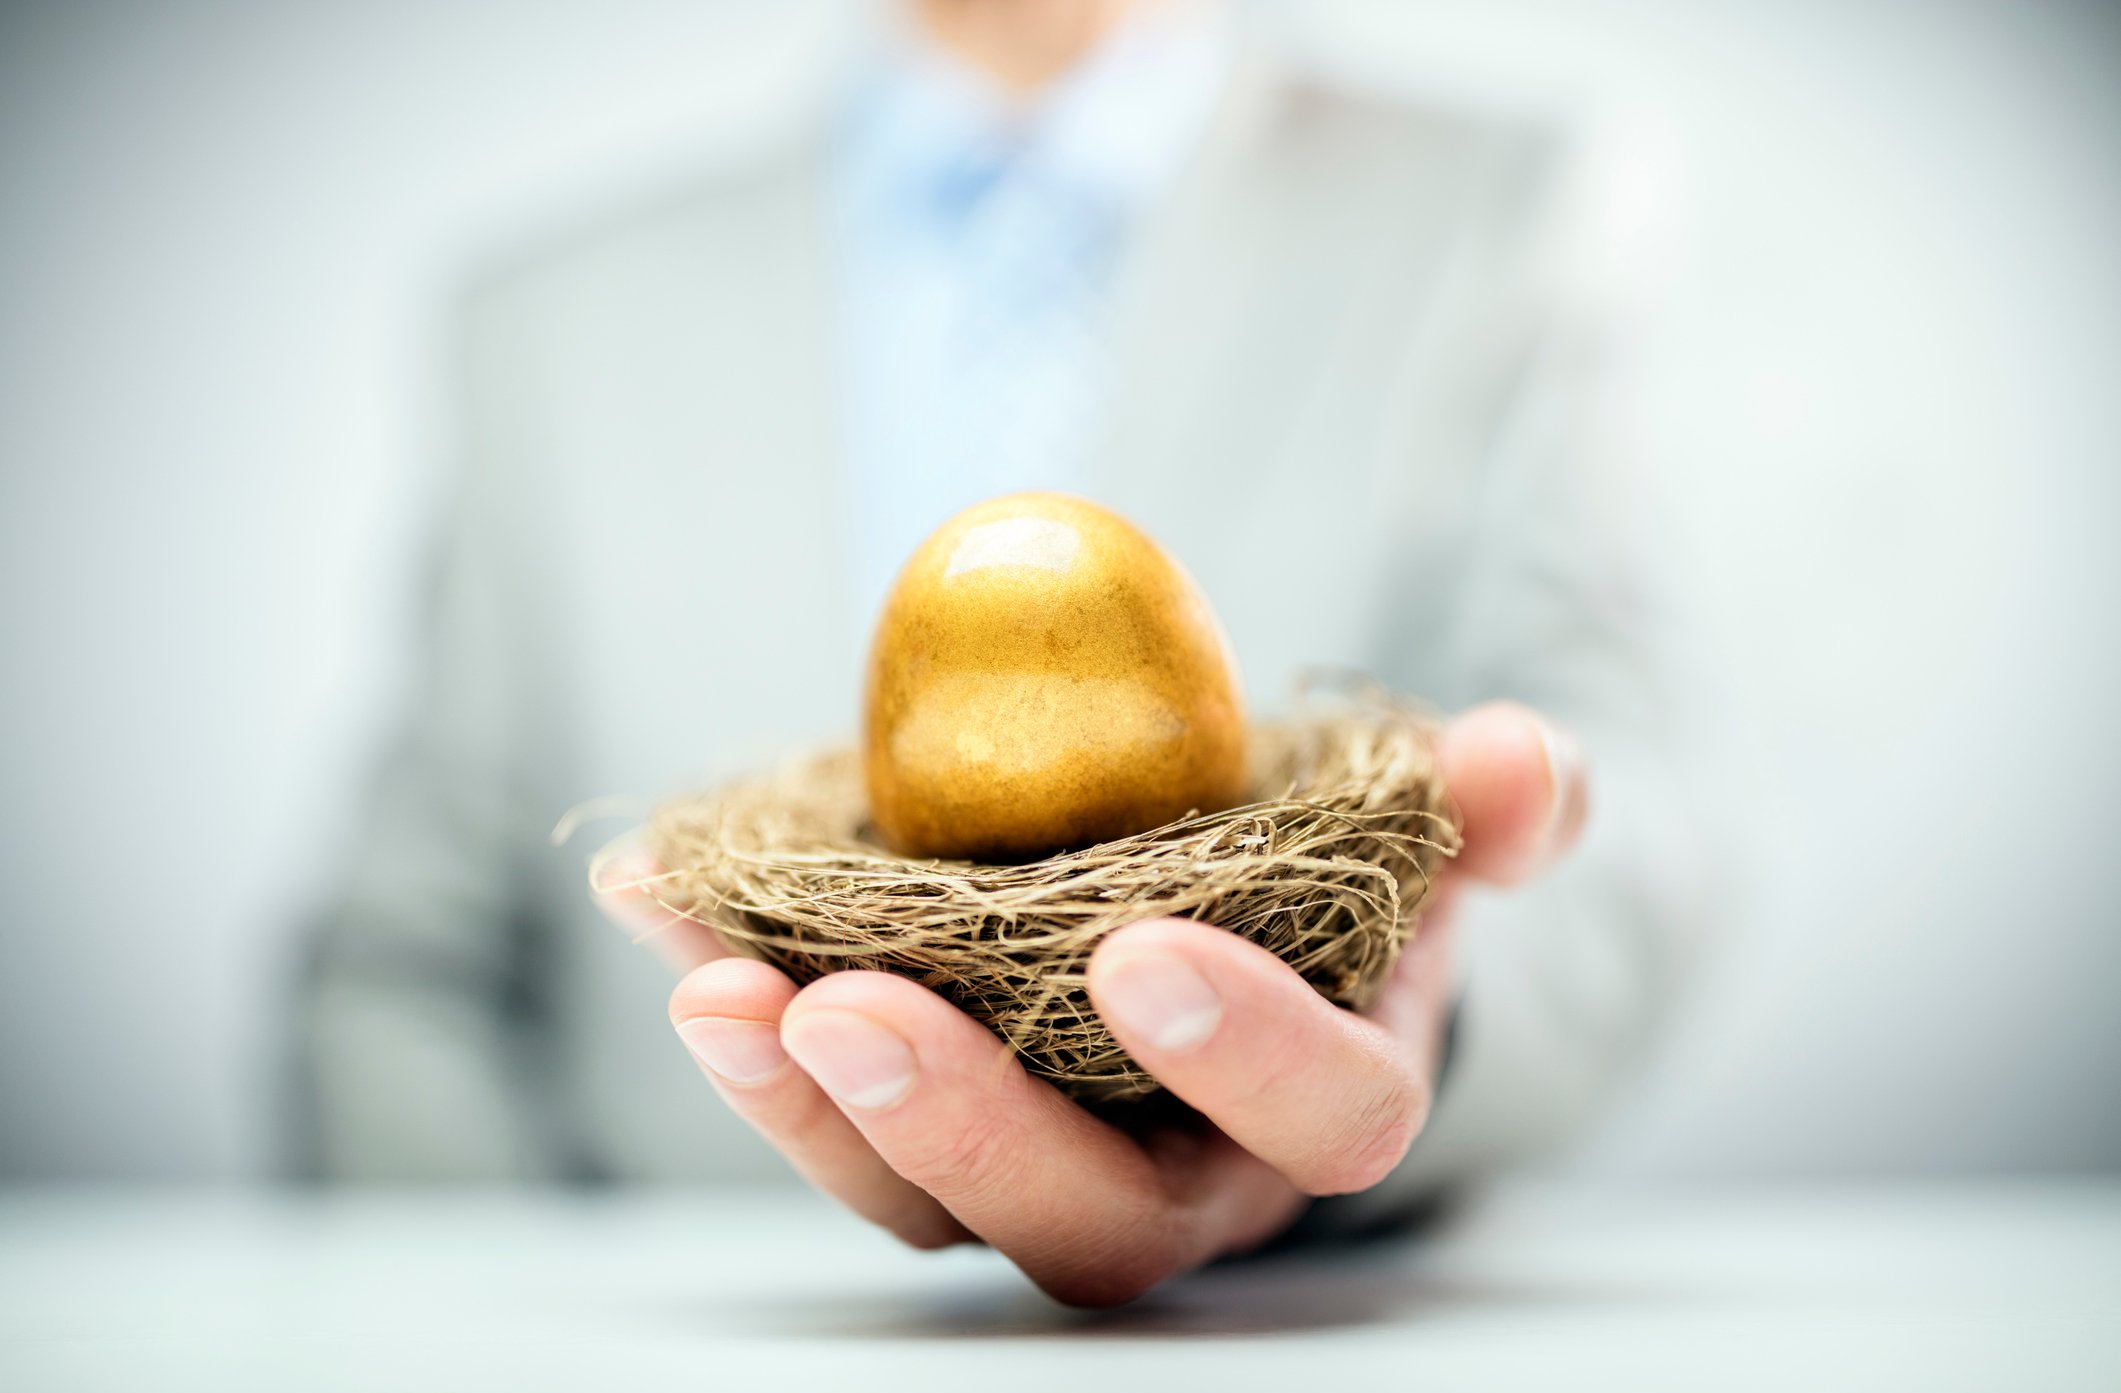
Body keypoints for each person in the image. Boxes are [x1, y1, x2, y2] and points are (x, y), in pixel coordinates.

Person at [295, 0, 1697, 1305]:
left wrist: (1393, 1026)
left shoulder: (1495, 205)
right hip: (718, 1333)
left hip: (1294, 1334)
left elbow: (1635, 809)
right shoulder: (548, 310)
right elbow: (403, 963)